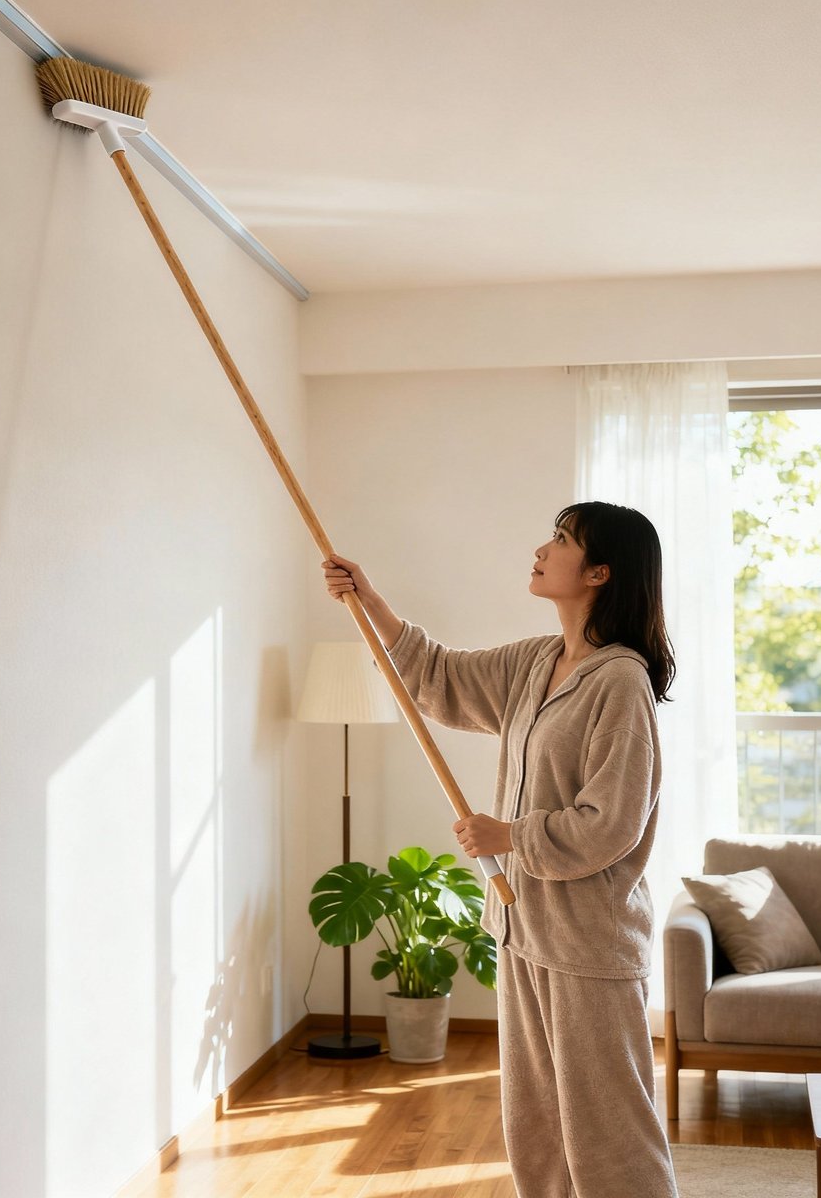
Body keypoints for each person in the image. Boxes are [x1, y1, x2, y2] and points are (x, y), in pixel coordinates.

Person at [320, 500, 679, 1198]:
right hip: (524, 930)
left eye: (561, 541)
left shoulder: (620, 682)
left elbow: (612, 823)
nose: (541, 550)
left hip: (591, 945)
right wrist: (369, 601)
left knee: (610, 1135)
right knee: (538, 1128)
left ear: (600, 572)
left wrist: (510, 836)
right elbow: (440, 677)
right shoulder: (537, 661)